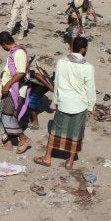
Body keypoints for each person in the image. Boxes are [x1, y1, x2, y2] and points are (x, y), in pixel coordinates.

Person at [33, 37, 96, 169]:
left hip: (63, 102)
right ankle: (69, 161)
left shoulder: (61, 62)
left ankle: (47, 157)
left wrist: (56, 100)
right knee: (76, 132)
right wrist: (91, 106)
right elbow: (90, 89)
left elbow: (57, 84)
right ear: (83, 49)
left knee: (56, 130)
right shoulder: (88, 67)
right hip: (80, 104)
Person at [0, 31, 32, 154]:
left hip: (15, 90)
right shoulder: (14, 52)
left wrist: (7, 85)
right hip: (10, 89)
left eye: (2, 46)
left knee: (8, 116)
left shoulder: (19, 53)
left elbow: (20, 72)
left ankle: (24, 139)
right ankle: (7, 142)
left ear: (4, 44)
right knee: (4, 115)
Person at [28, 65, 54, 130]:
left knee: (32, 101)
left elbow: (36, 75)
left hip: (43, 85)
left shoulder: (22, 71)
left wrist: (49, 86)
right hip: (37, 84)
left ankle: (35, 123)